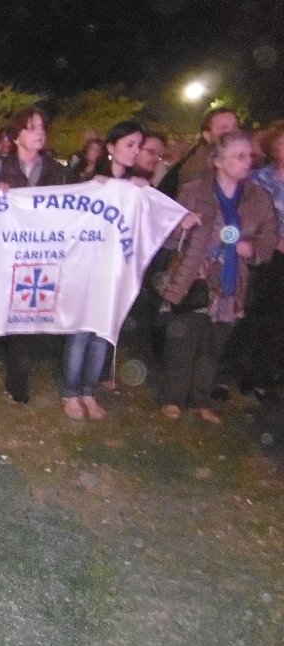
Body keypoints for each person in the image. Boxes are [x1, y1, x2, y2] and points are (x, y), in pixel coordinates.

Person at [158, 131, 277, 423]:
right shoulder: (194, 190)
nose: (247, 161)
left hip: (231, 284)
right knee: (183, 341)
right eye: (239, 156)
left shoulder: (258, 198)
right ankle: (173, 398)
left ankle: (200, 400)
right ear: (219, 161)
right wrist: (181, 225)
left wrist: (252, 248)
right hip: (193, 277)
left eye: (249, 155)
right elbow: (168, 237)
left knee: (214, 346)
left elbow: (269, 239)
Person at [0, 107, 71, 404]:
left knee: (26, 322)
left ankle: (18, 384)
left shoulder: (57, 172)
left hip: (38, 261)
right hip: (2, 258)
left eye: (42, 127)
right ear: (17, 135)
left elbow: (72, 208)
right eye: (32, 128)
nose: (39, 133)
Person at [61, 121, 145, 420]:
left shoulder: (139, 187)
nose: (135, 152)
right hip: (85, 269)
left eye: (139, 145)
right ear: (111, 148)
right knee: (81, 331)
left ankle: (89, 391)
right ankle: (70, 393)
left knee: (103, 332)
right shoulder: (89, 180)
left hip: (115, 272)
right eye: (129, 145)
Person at [246, 123, 284, 399]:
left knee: (277, 323)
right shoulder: (260, 180)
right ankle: (238, 374)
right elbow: (250, 219)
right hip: (266, 257)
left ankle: (264, 376)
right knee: (254, 315)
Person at [159, 106, 239, 198]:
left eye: (235, 127)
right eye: (223, 128)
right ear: (207, 135)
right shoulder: (197, 169)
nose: (232, 133)